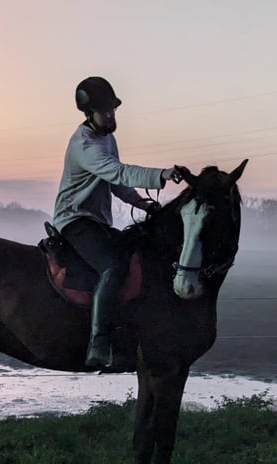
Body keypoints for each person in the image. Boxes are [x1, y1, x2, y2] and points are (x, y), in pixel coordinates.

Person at [53, 76, 182, 369]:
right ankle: (98, 343)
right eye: (105, 111)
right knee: (113, 265)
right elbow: (119, 173)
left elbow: (116, 184)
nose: (111, 115)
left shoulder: (107, 138)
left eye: (113, 109)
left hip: (97, 221)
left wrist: (142, 203)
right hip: (74, 219)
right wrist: (161, 175)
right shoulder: (84, 145)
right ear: (89, 114)